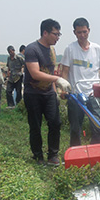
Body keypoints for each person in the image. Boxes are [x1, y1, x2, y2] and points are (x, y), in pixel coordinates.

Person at [23, 18, 70, 166]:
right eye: (55, 34)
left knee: (55, 122)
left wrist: (55, 90)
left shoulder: (52, 50)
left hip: (49, 93)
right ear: (45, 33)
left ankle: (53, 155)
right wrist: (57, 79)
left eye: (58, 34)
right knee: (35, 125)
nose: (57, 38)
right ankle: (38, 156)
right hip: (33, 94)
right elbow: (35, 73)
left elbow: (50, 70)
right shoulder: (32, 49)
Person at [61, 17, 100, 147]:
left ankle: (96, 152)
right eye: (79, 32)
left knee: (97, 125)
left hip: (94, 94)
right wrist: (63, 89)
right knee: (75, 128)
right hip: (76, 94)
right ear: (74, 33)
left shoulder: (97, 49)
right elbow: (65, 71)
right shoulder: (70, 49)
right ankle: (76, 153)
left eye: (84, 32)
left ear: (89, 30)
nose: (82, 35)